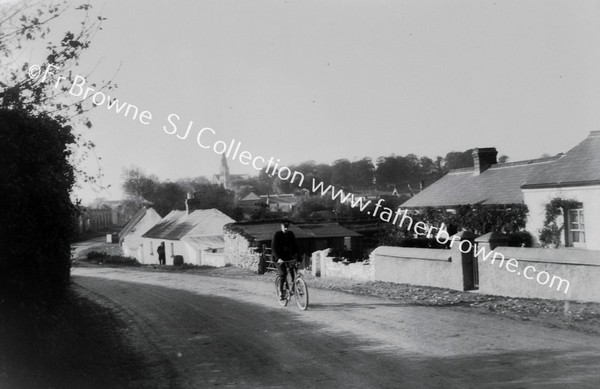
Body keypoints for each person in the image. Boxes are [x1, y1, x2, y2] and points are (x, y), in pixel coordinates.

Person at [271, 221, 298, 300]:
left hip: (287, 257)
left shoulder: (290, 234)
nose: (286, 229)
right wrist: (278, 258)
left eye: (287, 227)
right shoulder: (277, 235)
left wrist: (297, 257)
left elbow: (295, 246)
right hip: (277, 258)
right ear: (281, 227)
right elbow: (274, 248)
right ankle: (280, 292)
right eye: (284, 227)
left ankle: (293, 288)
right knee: (284, 273)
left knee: (294, 272)